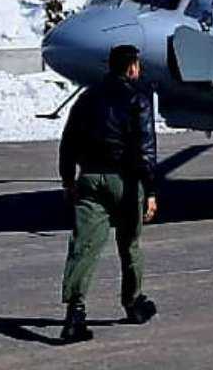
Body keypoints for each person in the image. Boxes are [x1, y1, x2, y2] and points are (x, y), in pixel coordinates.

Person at [57, 44, 159, 343]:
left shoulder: (87, 98)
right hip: (124, 182)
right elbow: (146, 149)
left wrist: (67, 179)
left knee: (84, 247)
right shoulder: (137, 99)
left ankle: (75, 314)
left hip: (89, 179)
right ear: (131, 68)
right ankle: (133, 303)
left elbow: (69, 141)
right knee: (129, 245)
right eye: (137, 65)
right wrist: (150, 190)